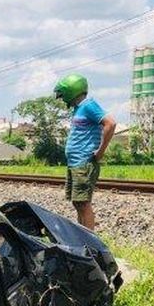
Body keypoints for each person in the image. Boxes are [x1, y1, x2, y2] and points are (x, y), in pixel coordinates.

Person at [54, 74, 117, 230]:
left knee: (83, 203)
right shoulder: (78, 108)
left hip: (84, 163)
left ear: (71, 90)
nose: (62, 99)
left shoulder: (89, 105)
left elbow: (111, 123)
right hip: (75, 163)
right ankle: (82, 238)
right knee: (77, 202)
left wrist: (100, 151)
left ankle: (90, 244)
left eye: (63, 95)